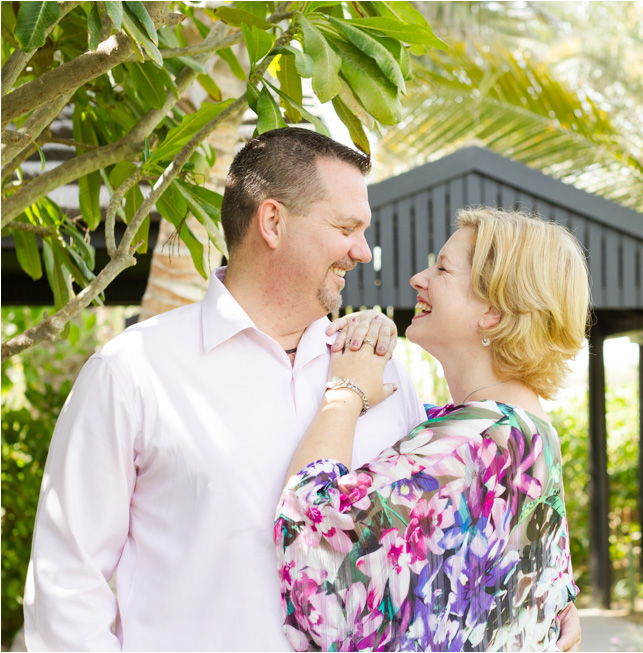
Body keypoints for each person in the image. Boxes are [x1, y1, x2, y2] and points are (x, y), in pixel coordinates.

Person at [23, 129, 426, 650]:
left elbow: (436, 544)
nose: (363, 252)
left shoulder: (384, 373)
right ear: (273, 222)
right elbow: (66, 582)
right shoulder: (133, 371)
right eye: (347, 228)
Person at [275, 208, 590, 651]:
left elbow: (308, 524)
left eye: (442, 268)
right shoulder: (530, 436)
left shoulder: (470, 443)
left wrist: (344, 393)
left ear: (494, 314)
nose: (418, 279)